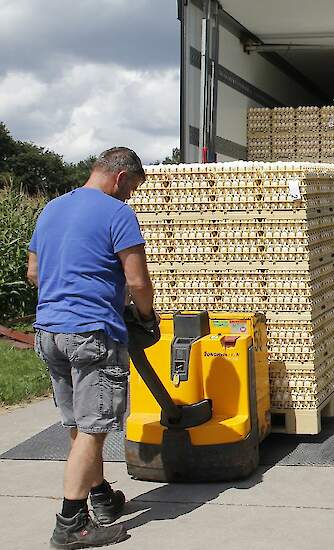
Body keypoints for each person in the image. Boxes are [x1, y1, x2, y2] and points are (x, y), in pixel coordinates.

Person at [27, 147, 154, 549]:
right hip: (92, 334)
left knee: (78, 425)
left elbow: (33, 272)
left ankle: (100, 497)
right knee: (94, 428)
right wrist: (146, 317)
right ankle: (71, 524)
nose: (129, 196)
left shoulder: (51, 209)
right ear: (120, 178)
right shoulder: (118, 213)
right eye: (131, 188)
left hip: (49, 331)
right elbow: (136, 282)